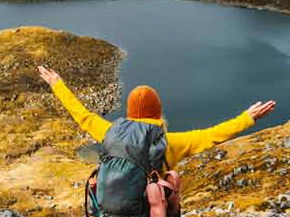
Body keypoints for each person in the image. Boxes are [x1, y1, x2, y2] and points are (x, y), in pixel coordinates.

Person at [38, 66, 276, 217]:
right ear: (158, 112)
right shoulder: (168, 142)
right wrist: (247, 118)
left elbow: (82, 115)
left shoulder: (109, 131)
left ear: (130, 111)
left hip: (105, 211)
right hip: (143, 212)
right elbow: (212, 135)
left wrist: (57, 84)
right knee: (172, 180)